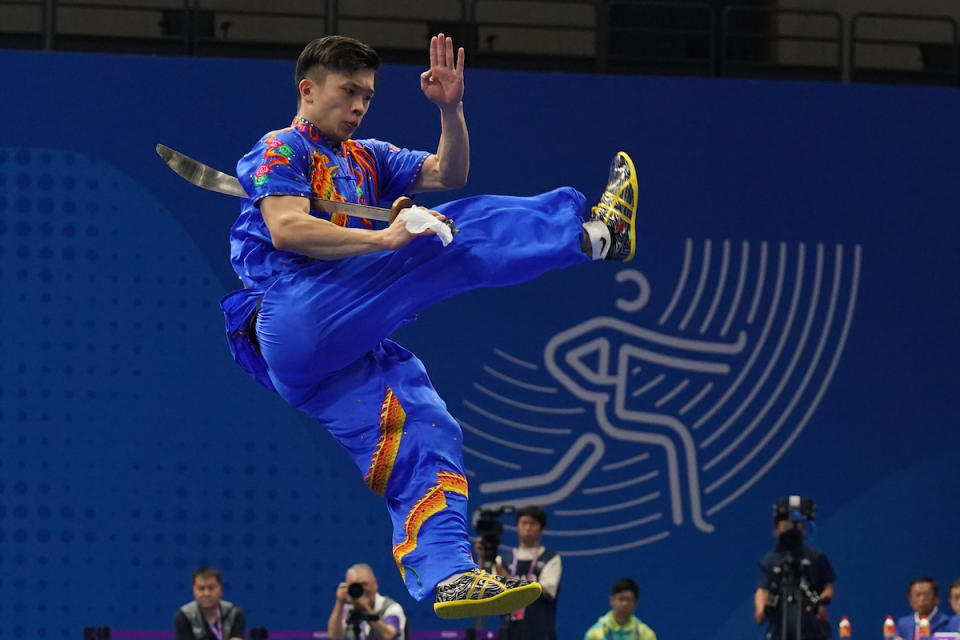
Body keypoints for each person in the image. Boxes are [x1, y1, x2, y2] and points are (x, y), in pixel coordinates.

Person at [220, 33, 638, 619]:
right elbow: (288, 229)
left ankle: (450, 575)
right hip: (292, 316)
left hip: (337, 356)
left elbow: (450, 170)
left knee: (423, 425)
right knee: (435, 238)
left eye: (367, 95)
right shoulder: (281, 149)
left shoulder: (368, 157)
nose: (359, 105)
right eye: (347, 92)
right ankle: (592, 236)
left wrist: (450, 110)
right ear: (308, 90)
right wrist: (387, 238)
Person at [753, 497, 835, 640]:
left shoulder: (816, 557)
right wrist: (761, 610)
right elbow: (762, 589)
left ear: (804, 529)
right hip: (780, 630)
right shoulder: (769, 561)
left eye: (796, 526)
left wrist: (821, 600)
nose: (791, 530)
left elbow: (829, 588)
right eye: (786, 526)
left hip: (813, 630)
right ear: (776, 530)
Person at [496, 506, 562, 640]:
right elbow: (489, 589)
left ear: (542, 528)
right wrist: (483, 557)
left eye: (533, 524)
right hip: (509, 633)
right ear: (517, 526)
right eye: (524, 523)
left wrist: (510, 581)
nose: (528, 528)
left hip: (540, 633)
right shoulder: (502, 560)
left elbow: (545, 589)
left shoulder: (551, 558)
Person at [328, 563, 406, 640]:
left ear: (375, 584)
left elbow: (388, 636)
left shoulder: (391, 608)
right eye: (355, 585)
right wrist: (339, 602)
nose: (361, 589)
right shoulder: (348, 609)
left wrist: (365, 609)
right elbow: (335, 635)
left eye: (364, 584)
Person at [174, 567, 246, 640]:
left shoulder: (234, 613)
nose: (206, 593)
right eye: (201, 588)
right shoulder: (184, 615)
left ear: (220, 589)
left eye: (211, 588)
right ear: (194, 590)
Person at [584, 578, 656, 640]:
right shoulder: (595, 634)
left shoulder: (647, 635)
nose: (624, 604)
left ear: (636, 603)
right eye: (621, 599)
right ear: (611, 600)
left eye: (629, 600)